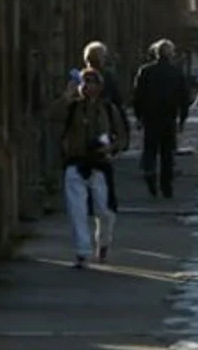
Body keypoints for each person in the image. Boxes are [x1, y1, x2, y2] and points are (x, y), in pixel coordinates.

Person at [50, 68, 127, 268]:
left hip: (100, 164)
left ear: (100, 86)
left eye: (93, 82)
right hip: (76, 162)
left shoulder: (108, 109)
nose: (88, 86)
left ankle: (103, 243)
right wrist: (67, 96)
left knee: (105, 211)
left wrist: (112, 146)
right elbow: (53, 116)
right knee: (77, 210)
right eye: (85, 82)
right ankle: (82, 252)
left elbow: (121, 135)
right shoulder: (72, 107)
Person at [132, 39, 190, 198]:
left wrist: (138, 116)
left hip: (150, 116)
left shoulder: (145, 71)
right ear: (171, 54)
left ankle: (150, 173)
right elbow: (184, 97)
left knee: (150, 148)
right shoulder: (176, 72)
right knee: (167, 152)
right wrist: (183, 118)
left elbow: (138, 96)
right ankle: (166, 185)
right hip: (168, 117)